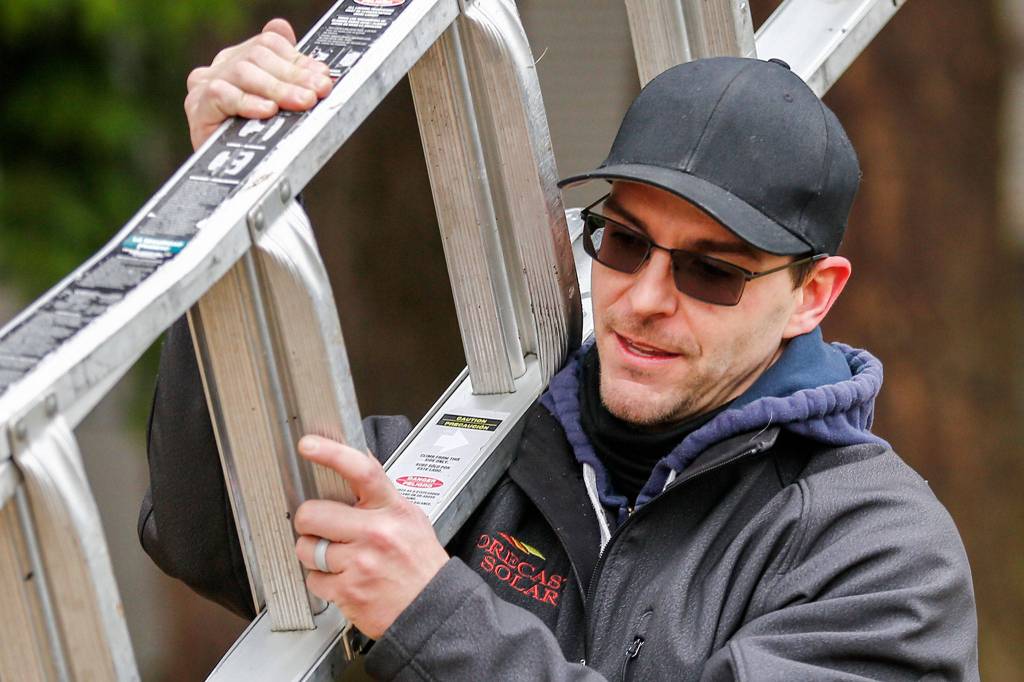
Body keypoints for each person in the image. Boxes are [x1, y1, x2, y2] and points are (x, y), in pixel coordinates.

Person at [140, 19, 980, 680]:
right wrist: (224, 199)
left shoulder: (881, 554)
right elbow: (212, 536)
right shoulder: (492, 445)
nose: (644, 299)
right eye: (624, 242)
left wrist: (433, 617)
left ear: (813, 295)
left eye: (711, 272)